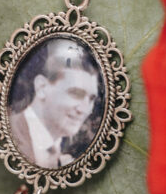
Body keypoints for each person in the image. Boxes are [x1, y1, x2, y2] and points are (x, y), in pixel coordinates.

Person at [9, 39, 101, 169]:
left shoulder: (65, 156)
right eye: (76, 93)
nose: (85, 109)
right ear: (41, 87)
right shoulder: (10, 134)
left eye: (91, 99)